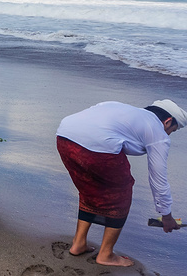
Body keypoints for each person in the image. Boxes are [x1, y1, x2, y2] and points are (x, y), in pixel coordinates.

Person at [56, 100, 186, 267]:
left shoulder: (121, 109)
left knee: (89, 188)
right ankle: (106, 254)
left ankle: (78, 243)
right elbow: (158, 178)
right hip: (96, 149)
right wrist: (166, 216)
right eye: (171, 131)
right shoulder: (157, 132)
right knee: (121, 192)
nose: (168, 135)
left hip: (64, 137)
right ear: (167, 121)